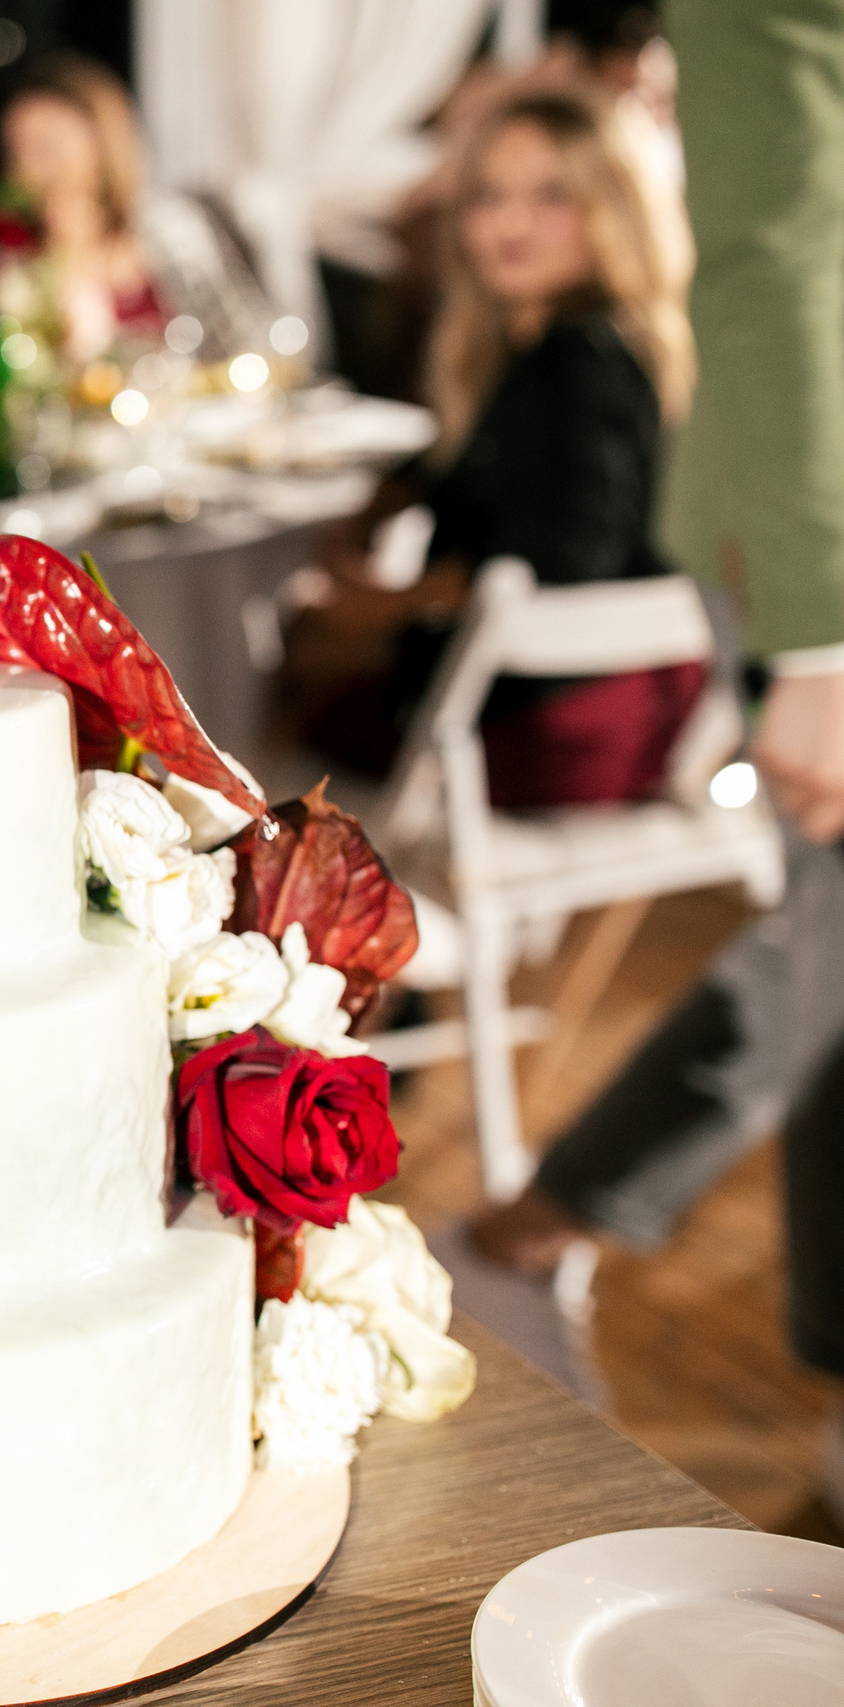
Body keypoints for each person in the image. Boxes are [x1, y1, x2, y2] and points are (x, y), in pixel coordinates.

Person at [468, 0, 844, 1523]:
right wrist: (819, 629)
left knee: (826, 963)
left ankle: (541, 1227)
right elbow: (786, 194)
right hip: (819, 532)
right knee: (824, 953)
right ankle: (542, 1226)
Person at [295, 88, 702, 810]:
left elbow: (560, 560)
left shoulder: (581, 364)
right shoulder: (554, 344)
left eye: (552, 195)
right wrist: (385, 503)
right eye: (487, 196)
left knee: (287, 683)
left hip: (565, 721)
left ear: (613, 206)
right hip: (621, 703)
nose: (510, 222)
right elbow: (474, 463)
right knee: (313, 649)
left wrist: (384, 605)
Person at [0, 54, 273, 366]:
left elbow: (246, 344)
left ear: (102, 141)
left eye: (48, 147)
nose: (32, 169)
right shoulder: (18, 253)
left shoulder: (167, 227)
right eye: (18, 150)